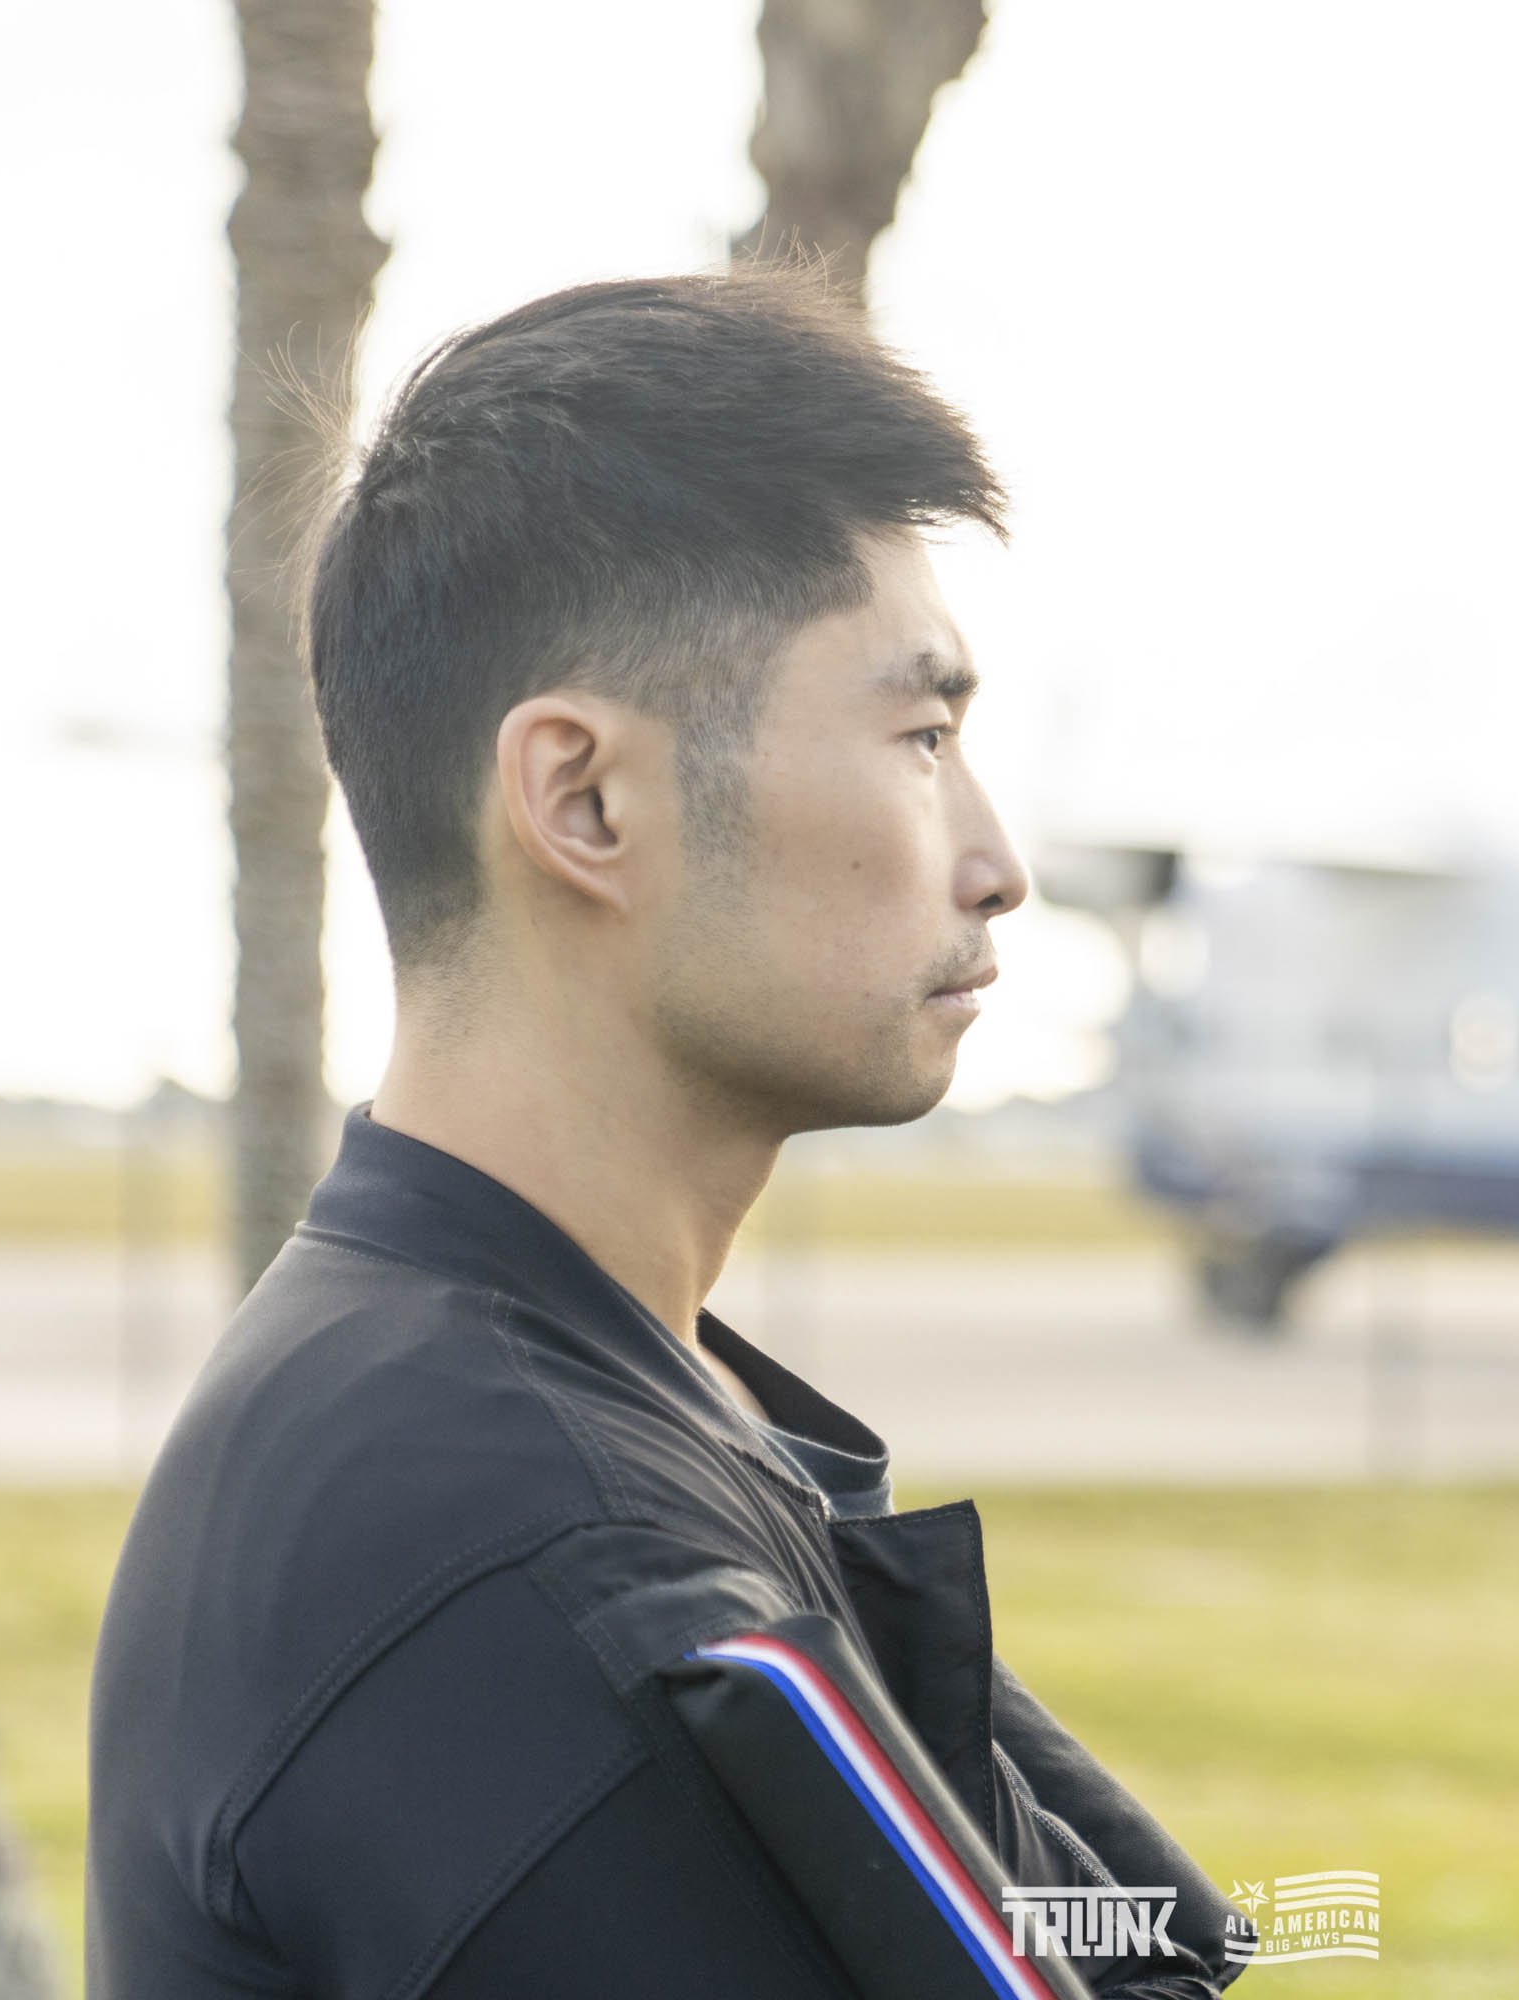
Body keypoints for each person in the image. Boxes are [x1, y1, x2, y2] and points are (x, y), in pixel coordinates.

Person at [85, 268, 1244, 1997]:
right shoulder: (536, 1550)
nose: (999, 863)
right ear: (586, 799)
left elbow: (1107, 1936)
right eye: (920, 735)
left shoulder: (573, 1386)